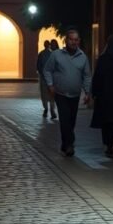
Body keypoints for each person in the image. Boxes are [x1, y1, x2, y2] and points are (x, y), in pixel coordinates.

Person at [43, 28, 92, 156]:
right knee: (64, 119)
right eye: (71, 40)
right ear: (66, 40)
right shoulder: (56, 55)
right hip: (61, 93)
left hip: (75, 95)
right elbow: (47, 70)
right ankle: (69, 145)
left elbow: (87, 76)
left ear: (79, 41)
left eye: (76, 40)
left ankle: (65, 144)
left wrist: (87, 92)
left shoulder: (83, 57)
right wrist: (50, 85)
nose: (73, 42)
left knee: (71, 121)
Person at [36, 39, 57, 119]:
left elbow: (38, 66)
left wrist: (42, 73)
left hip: (43, 78)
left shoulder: (41, 54)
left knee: (44, 94)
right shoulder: (52, 54)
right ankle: (52, 110)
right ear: (48, 45)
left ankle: (46, 109)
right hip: (51, 78)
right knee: (51, 95)